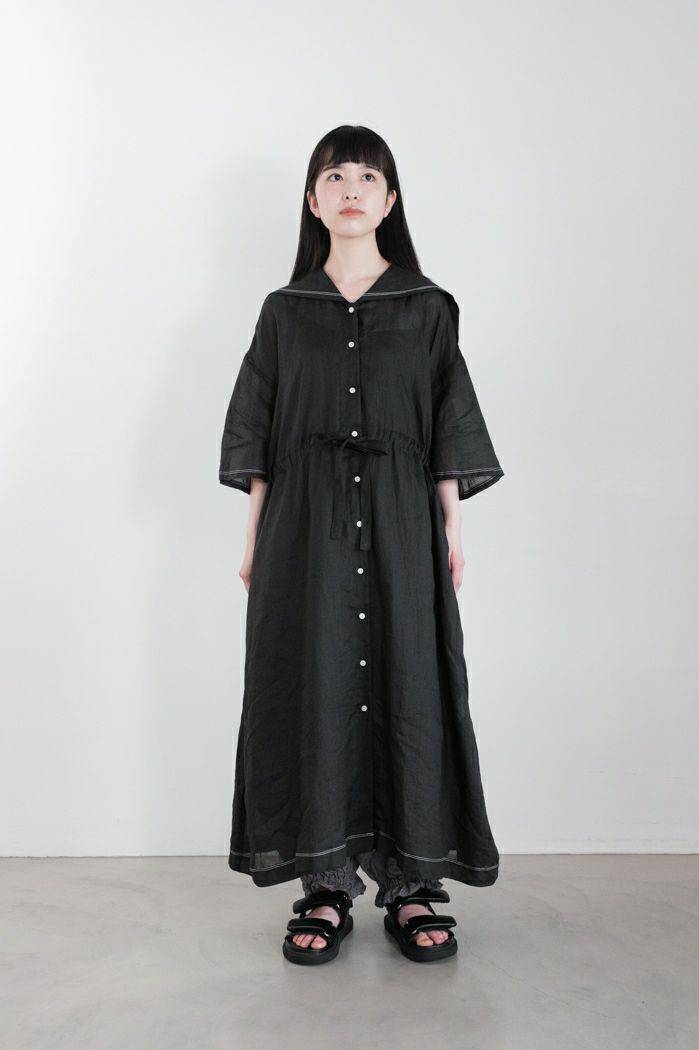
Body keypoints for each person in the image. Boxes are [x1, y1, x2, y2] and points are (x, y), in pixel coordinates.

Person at [219, 124, 505, 965]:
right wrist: (252, 540)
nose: (351, 188)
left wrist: (452, 531)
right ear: (313, 202)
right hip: (303, 526)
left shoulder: (427, 307)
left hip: (401, 520)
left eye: (368, 177)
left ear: (389, 200)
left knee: (412, 684)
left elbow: (449, 421)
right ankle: (326, 883)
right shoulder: (284, 311)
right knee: (313, 682)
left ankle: (412, 883)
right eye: (335, 176)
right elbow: (257, 430)